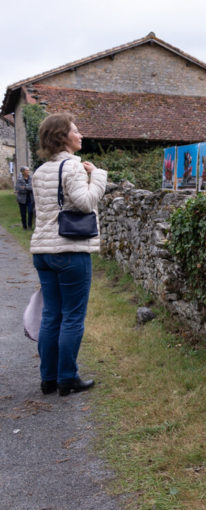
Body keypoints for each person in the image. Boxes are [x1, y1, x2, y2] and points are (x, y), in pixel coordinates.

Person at [30, 113, 107, 396]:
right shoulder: (72, 168)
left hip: (43, 250)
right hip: (70, 250)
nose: (81, 134)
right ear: (63, 137)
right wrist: (97, 175)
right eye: (76, 130)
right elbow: (86, 203)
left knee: (51, 315)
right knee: (73, 316)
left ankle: (48, 379)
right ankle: (67, 378)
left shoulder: (39, 172)